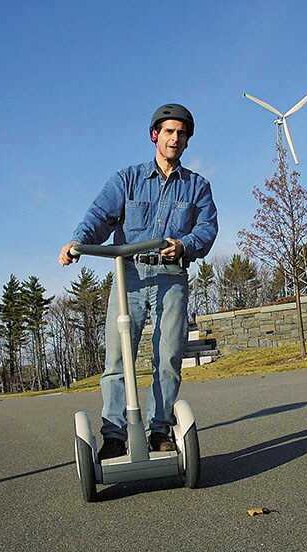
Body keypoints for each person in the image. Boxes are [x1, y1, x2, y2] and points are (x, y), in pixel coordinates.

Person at [58, 103, 218, 460]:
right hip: (127, 274)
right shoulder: (126, 179)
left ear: (187, 141)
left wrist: (184, 245)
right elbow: (100, 216)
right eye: (169, 132)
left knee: (169, 355)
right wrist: (77, 242)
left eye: (181, 133)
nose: (175, 138)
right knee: (118, 356)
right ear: (155, 136)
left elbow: (207, 229)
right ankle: (114, 436)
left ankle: (158, 430)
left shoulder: (198, 187)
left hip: (171, 276)